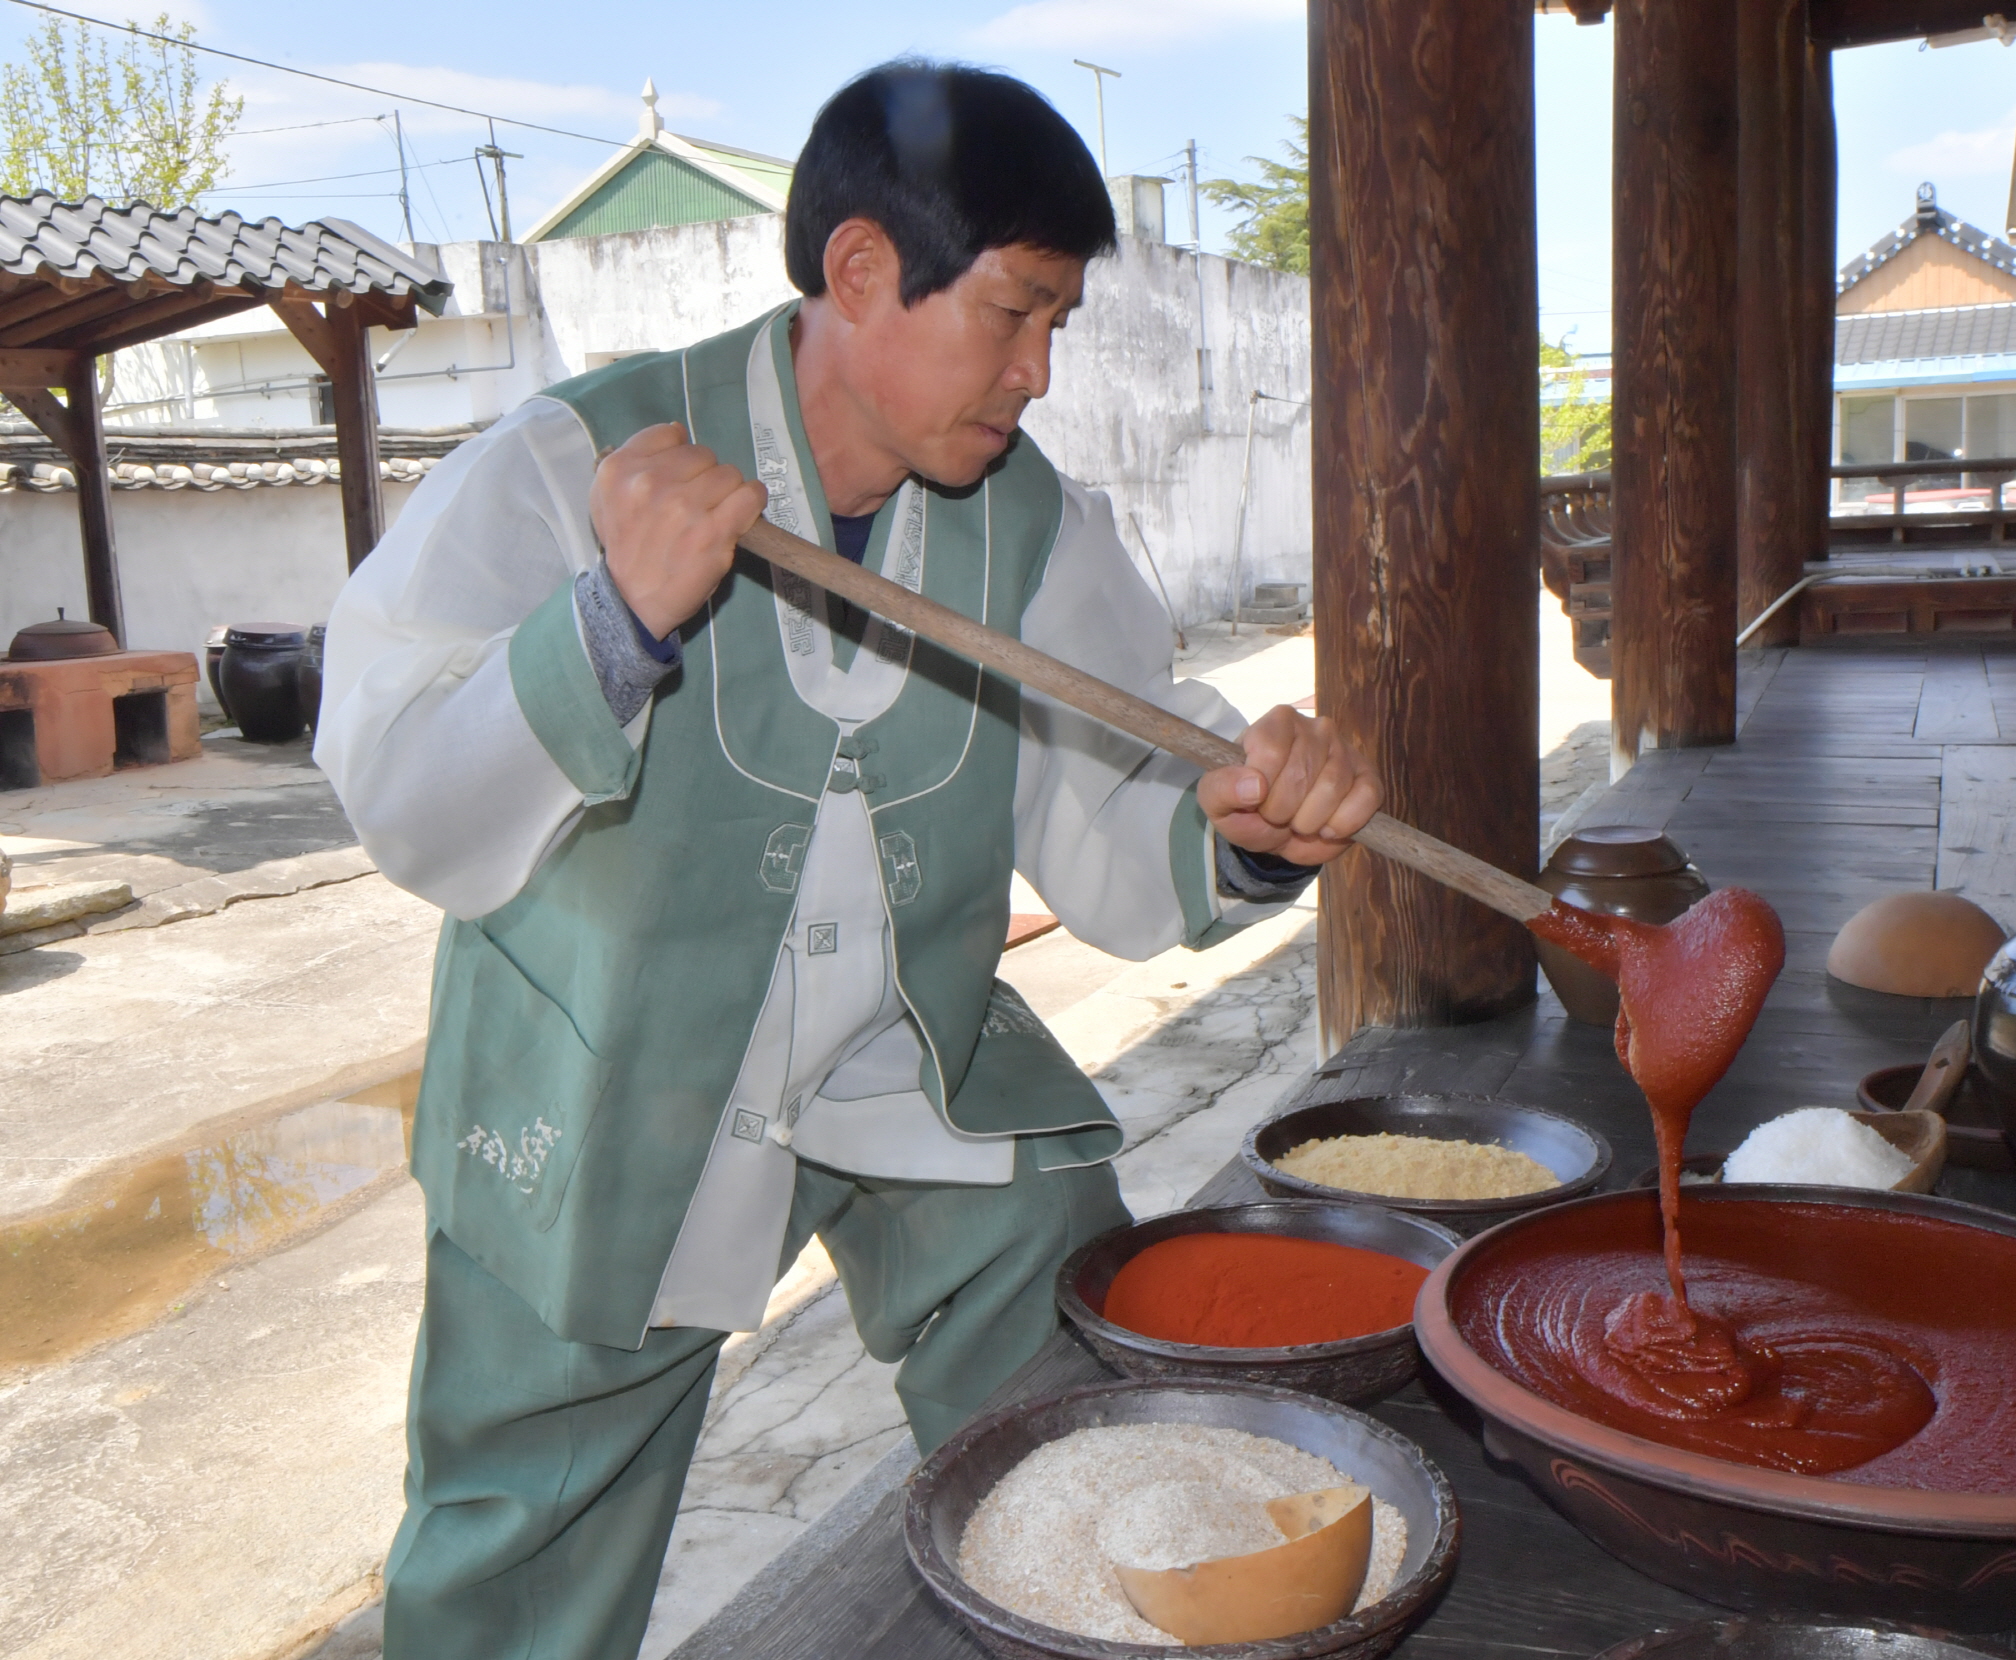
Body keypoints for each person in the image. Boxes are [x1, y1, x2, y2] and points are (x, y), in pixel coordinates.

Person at [315, 59, 1380, 1660]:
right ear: (863, 270)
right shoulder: (573, 464)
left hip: (901, 1062)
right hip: (614, 1087)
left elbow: (1119, 811)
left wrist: (1244, 828)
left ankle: (1081, 1605)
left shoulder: (1038, 530)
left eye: (1056, 329)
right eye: (1012, 315)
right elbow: (392, 774)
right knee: (518, 1550)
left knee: (1061, 1288)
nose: (1036, 374)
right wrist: (604, 620)